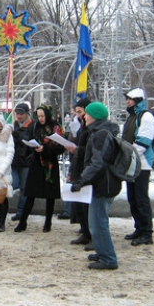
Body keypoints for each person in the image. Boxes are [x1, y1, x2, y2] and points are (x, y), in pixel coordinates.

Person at [71, 102, 121, 270]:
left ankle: (108, 258)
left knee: (98, 223)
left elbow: (97, 163)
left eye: (87, 113)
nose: (84, 116)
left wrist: (81, 180)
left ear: (96, 116)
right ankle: (102, 252)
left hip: (103, 184)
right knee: (96, 222)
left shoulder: (100, 135)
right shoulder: (101, 132)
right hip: (104, 183)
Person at [14, 104, 65, 233]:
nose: (41, 118)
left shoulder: (56, 127)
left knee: (50, 195)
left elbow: (61, 147)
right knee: (30, 193)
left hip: (50, 164)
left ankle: (48, 222)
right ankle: (23, 221)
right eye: (39, 116)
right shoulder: (35, 126)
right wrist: (32, 146)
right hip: (36, 163)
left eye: (43, 116)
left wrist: (45, 148)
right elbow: (30, 140)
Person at [122, 88, 154, 246]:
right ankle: (139, 228)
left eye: (131, 99)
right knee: (133, 198)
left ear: (138, 100)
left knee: (141, 199)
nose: (128, 101)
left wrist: (129, 155)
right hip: (133, 162)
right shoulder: (132, 116)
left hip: (142, 164)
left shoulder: (146, 116)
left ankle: (147, 232)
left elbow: (143, 142)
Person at [65, 98, 92, 245]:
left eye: (80, 112)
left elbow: (91, 150)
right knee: (78, 203)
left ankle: (89, 232)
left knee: (86, 204)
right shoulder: (81, 126)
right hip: (77, 166)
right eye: (76, 113)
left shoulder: (92, 129)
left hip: (86, 168)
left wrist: (76, 149)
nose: (79, 116)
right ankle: (84, 230)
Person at [10, 103, 34, 221]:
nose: (19, 116)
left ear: (26, 114)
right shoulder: (14, 125)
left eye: (21, 114)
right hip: (15, 160)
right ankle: (20, 210)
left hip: (26, 160)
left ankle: (21, 211)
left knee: (24, 187)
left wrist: (19, 138)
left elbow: (29, 142)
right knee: (14, 184)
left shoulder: (31, 126)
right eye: (17, 114)